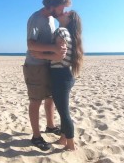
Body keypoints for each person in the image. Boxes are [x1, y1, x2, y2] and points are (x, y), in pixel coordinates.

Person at [23, 0, 72, 151]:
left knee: (49, 98)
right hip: (35, 66)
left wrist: (57, 52)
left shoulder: (51, 19)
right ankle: (36, 136)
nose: (63, 11)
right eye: (62, 8)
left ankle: (50, 126)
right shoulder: (36, 18)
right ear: (52, 6)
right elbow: (31, 45)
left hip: (48, 65)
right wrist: (55, 49)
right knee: (36, 101)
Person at [31, 10, 83, 151]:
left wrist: (38, 54)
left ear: (69, 19)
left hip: (60, 76)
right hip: (67, 75)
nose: (63, 12)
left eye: (67, 13)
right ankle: (62, 139)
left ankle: (70, 145)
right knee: (62, 109)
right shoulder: (69, 33)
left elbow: (58, 55)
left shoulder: (61, 31)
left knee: (64, 112)